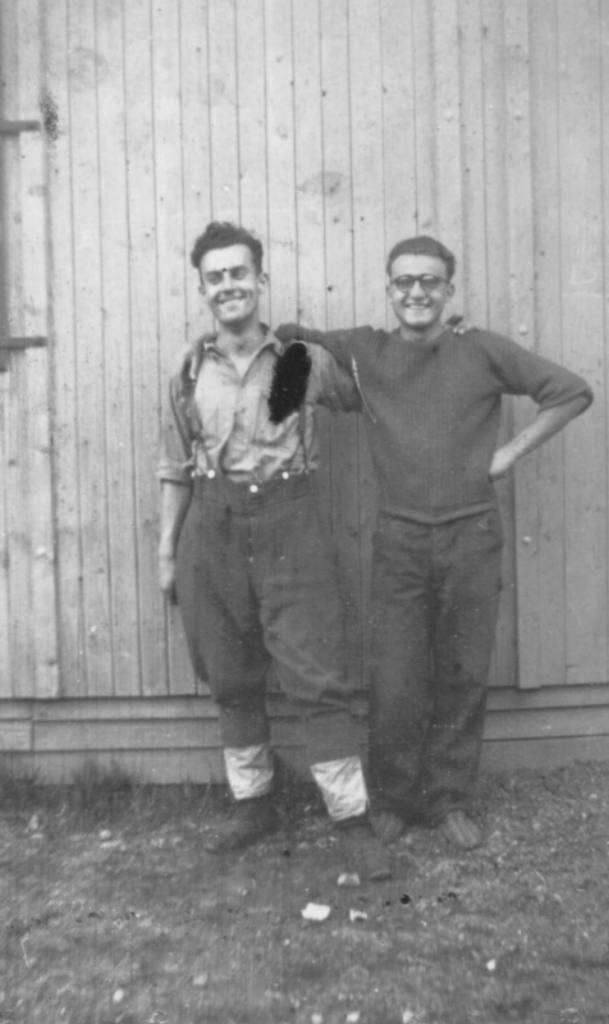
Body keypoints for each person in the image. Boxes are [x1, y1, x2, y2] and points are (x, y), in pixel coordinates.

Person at [277, 235, 593, 850]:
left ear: (450, 290)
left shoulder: (482, 350)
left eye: (429, 281)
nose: (416, 291)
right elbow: (291, 336)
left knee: (462, 672)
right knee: (395, 678)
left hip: (471, 535)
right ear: (389, 289)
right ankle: (395, 797)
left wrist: (507, 454)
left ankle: (449, 799)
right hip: (399, 538)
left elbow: (572, 391)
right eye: (404, 281)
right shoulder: (366, 348)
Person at [157, 221, 390, 877]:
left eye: (238, 272)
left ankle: (351, 819)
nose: (228, 285)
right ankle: (253, 806)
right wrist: (166, 553)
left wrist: (428, 343)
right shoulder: (189, 370)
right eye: (215, 277)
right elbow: (173, 467)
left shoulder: (296, 361)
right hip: (213, 525)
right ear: (202, 289)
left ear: (260, 279)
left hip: (290, 523)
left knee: (318, 675)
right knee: (230, 674)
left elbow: (377, 390)